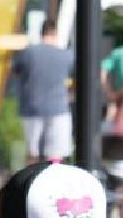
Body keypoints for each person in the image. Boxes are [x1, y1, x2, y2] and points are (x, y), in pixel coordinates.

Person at [7, 20, 75, 163]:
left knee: (32, 151)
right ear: (55, 34)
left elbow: (14, 73)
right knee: (55, 153)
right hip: (58, 107)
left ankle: (31, 179)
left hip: (32, 107)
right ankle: (52, 180)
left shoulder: (28, 53)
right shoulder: (66, 55)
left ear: (41, 33)